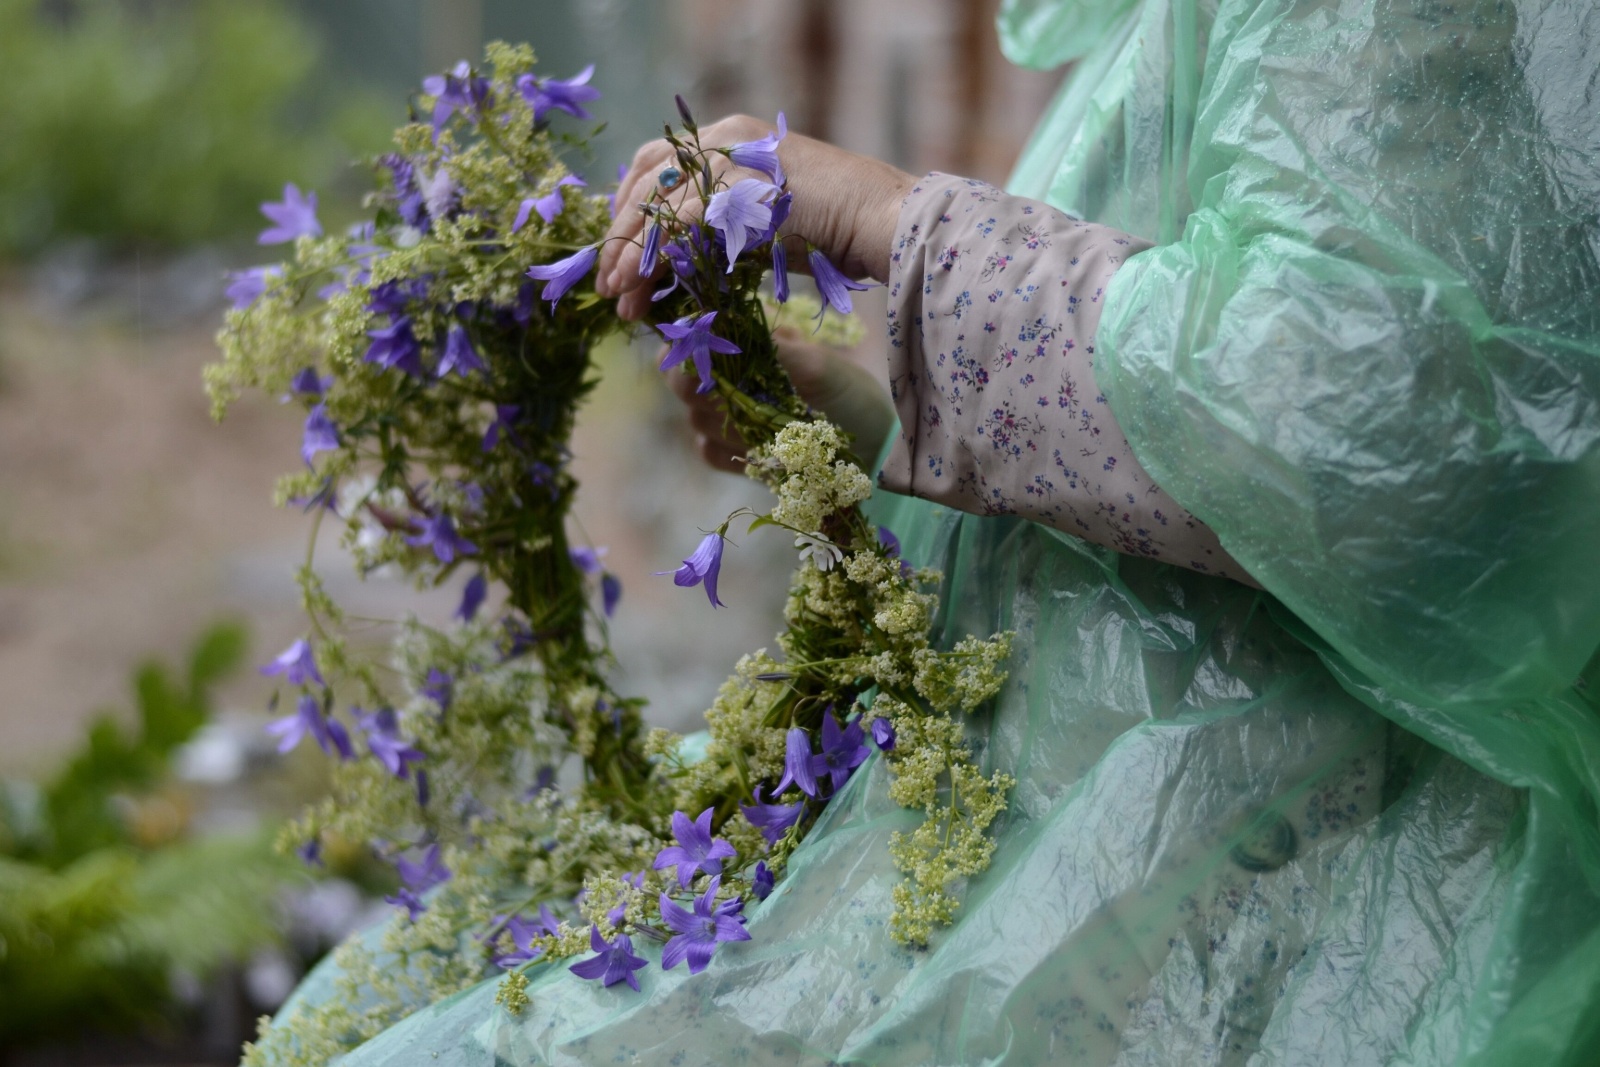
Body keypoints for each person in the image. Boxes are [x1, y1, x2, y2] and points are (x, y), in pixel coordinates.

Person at [334, 0, 1600, 1062]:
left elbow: (1389, 454)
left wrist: (893, 224)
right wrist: (882, 415)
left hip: (1285, 893)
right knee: (396, 985)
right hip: (1075, 826)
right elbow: (1190, 400)